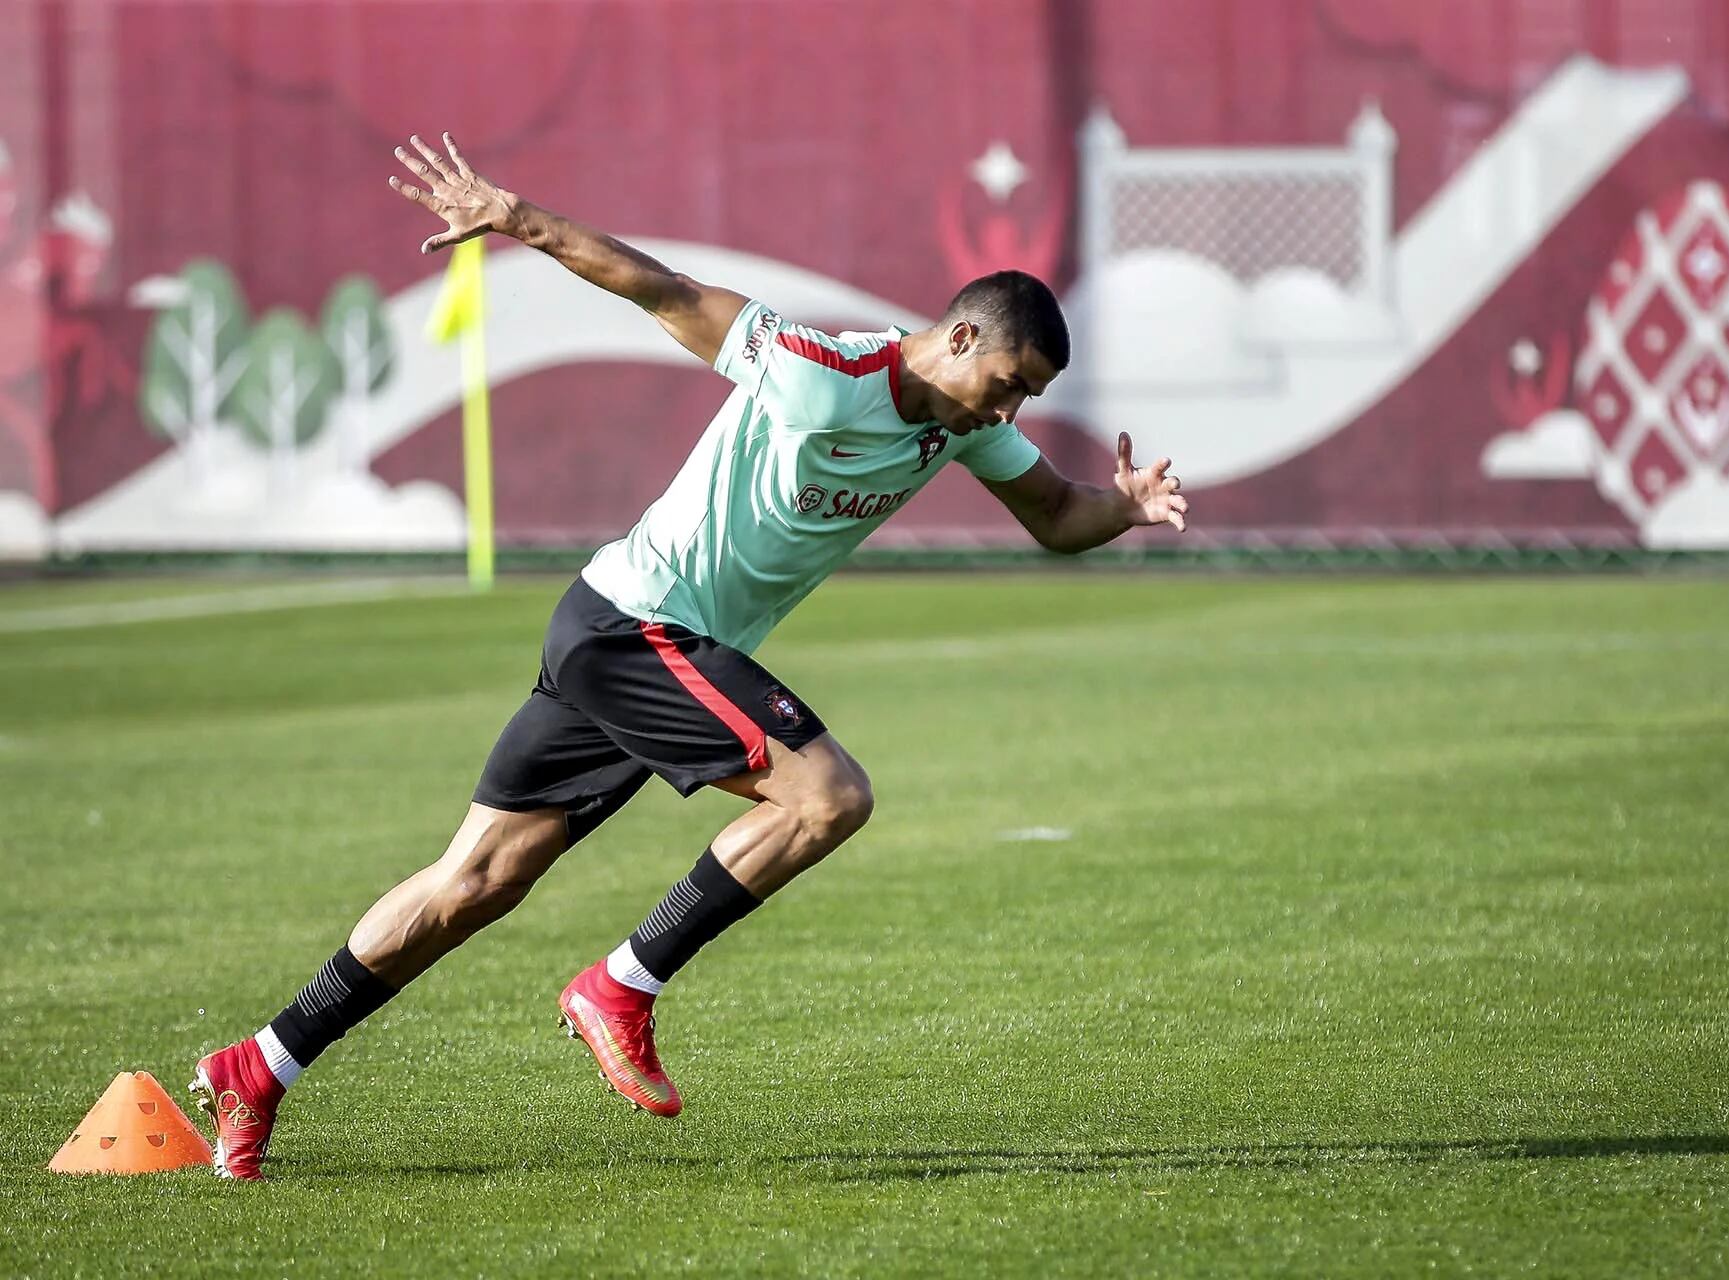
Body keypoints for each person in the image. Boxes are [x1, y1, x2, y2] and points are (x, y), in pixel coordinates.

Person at [189, 133, 1189, 1179]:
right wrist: (515, 215)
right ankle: (623, 982)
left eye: (1026, 395)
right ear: (963, 333)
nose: (1011, 407)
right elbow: (659, 288)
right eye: (1008, 380)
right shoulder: (821, 369)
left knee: (475, 878)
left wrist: (1120, 508)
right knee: (827, 797)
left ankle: (260, 1063)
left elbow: (1057, 514)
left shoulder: (959, 427)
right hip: (639, 626)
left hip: (632, 635)